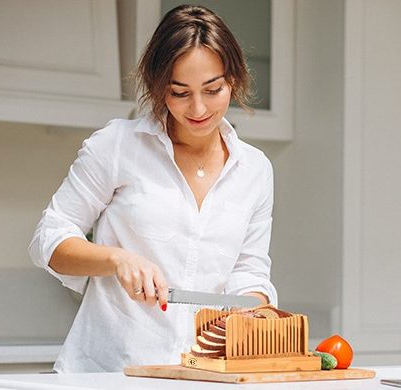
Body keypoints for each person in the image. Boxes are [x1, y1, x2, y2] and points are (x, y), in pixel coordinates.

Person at [28, 4, 277, 373]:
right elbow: (48, 240)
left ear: (235, 80)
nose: (198, 108)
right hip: (107, 372)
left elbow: (249, 271)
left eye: (213, 90)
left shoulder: (254, 169)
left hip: (200, 375)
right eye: (180, 93)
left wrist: (252, 309)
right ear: (160, 87)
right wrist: (117, 258)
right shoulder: (117, 145)